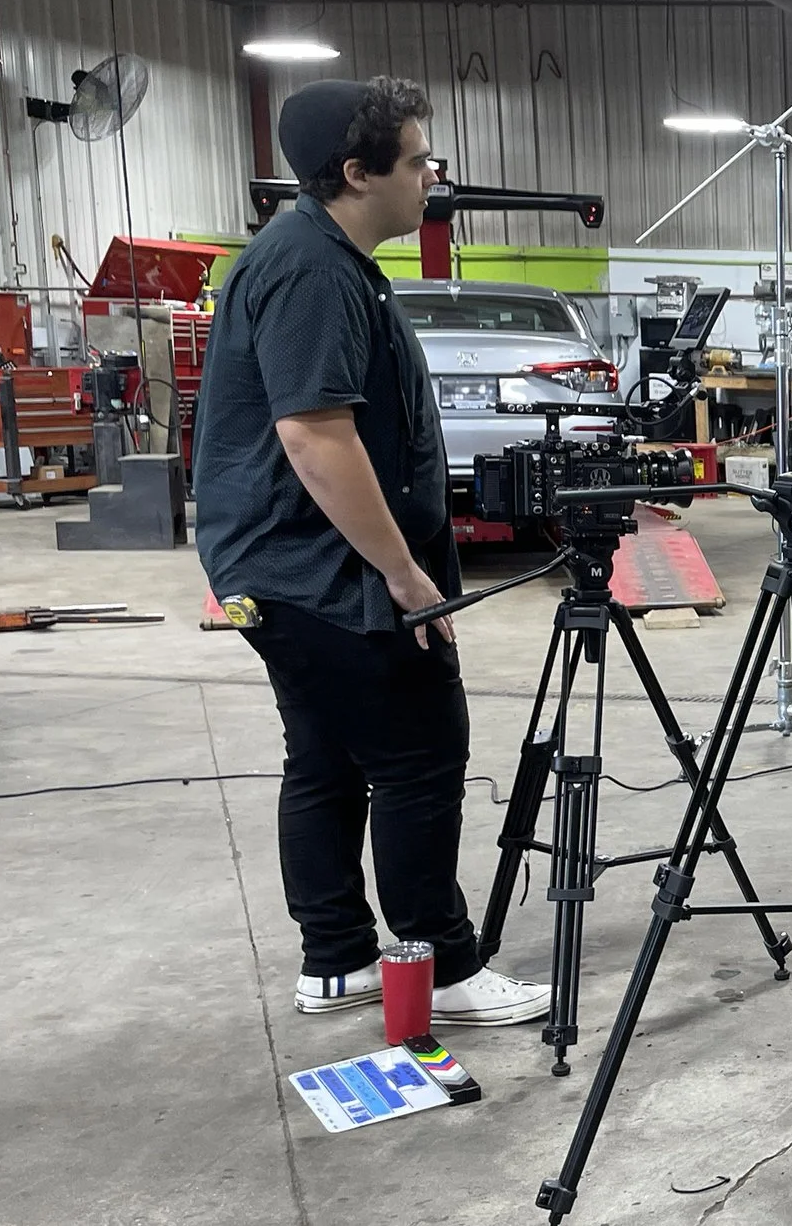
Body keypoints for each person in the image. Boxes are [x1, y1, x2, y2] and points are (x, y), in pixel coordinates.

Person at [195, 77, 549, 1026]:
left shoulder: (322, 256)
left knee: (325, 757)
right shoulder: (311, 269)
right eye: (421, 159)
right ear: (358, 173)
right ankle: (443, 966)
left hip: (279, 568)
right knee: (418, 758)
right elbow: (315, 435)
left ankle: (339, 958)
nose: (435, 174)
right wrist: (404, 572)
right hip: (327, 575)